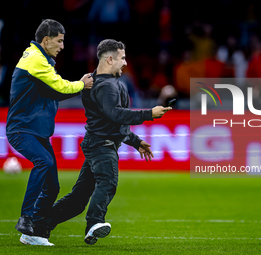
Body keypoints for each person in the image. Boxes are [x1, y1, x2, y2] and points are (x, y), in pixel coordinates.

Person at [44, 39, 171, 245]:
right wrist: (149, 113)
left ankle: (40, 223)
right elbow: (115, 115)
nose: (126, 63)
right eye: (122, 58)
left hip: (97, 142)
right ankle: (94, 222)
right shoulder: (108, 86)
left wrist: (135, 141)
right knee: (108, 183)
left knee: (78, 199)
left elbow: (109, 122)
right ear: (110, 59)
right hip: (102, 145)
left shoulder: (94, 81)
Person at [6, 19, 93, 246]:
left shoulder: (39, 59)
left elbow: (55, 92)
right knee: (43, 162)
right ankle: (26, 218)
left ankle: (33, 233)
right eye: (59, 40)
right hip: (22, 129)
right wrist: (81, 84)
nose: (62, 46)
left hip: (35, 131)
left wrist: (80, 86)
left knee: (53, 186)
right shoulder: (36, 59)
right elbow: (61, 86)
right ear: (46, 40)